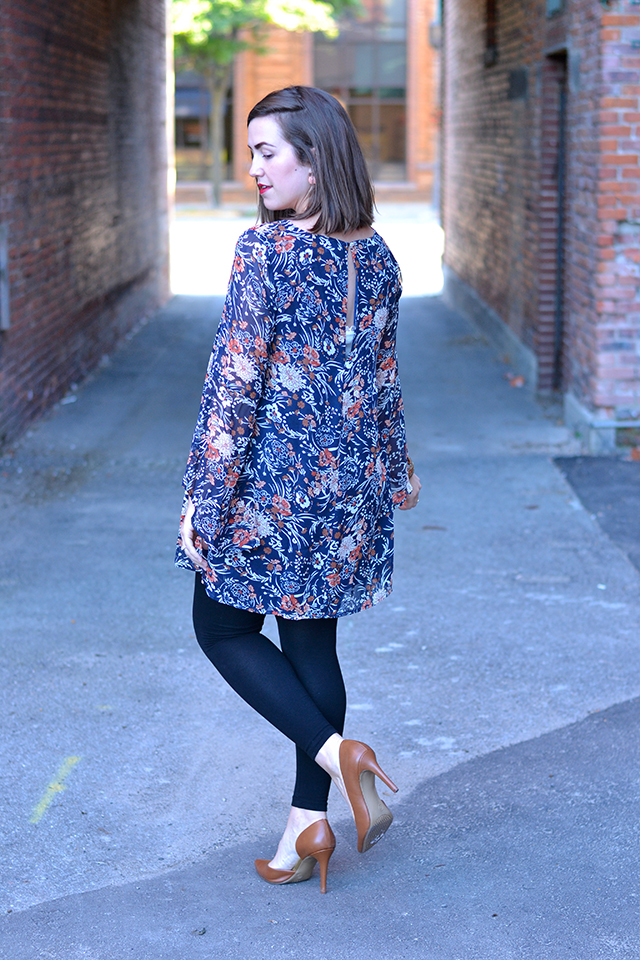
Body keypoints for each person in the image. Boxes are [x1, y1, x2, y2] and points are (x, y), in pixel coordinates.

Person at [177, 85, 421, 894]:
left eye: (267, 152)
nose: (253, 168)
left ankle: (338, 754)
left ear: (314, 162)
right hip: (348, 492)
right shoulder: (378, 257)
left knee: (219, 626)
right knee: (311, 648)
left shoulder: (266, 251)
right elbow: (384, 381)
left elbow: (236, 384)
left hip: (272, 488)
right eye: (251, 152)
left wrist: (203, 498)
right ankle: (303, 830)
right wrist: (398, 468)